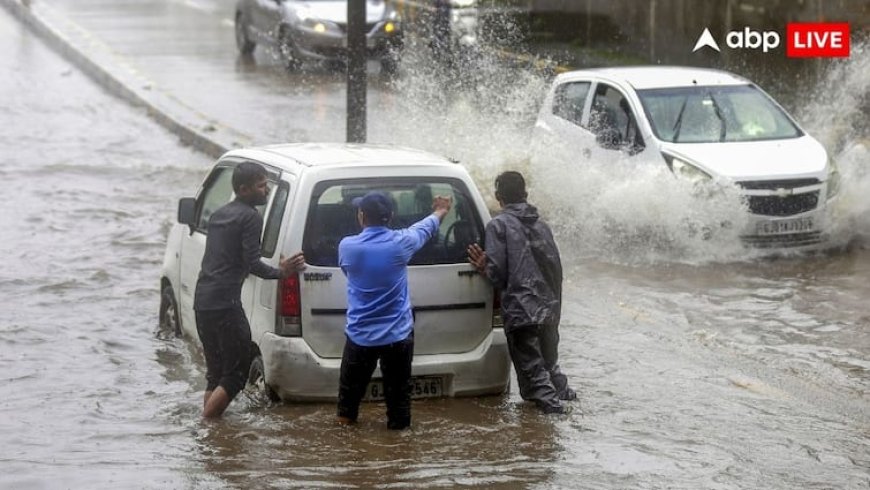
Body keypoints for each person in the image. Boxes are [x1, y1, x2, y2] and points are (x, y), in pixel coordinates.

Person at [194, 162, 305, 418]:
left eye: (266, 184)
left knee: (216, 372)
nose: (266, 190)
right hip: (225, 304)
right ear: (244, 190)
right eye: (261, 186)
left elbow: (231, 258)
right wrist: (282, 272)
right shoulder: (251, 217)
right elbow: (252, 263)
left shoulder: (219, 215)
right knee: (235, 375)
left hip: (203, 302)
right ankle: (208, 429)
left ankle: (212, 444)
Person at [336, 190, 452, 430]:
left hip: (360, 337)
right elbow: (425, 228)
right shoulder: (402, 243)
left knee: (347, 410)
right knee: (399, 409)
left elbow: (349, 272)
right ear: (391, 216)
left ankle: (347, 459)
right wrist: (440, 211)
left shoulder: (347, 247)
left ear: (361, 216)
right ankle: (400, 460)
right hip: (397, 338)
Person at [467, 171, 575, 414]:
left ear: (497, 196)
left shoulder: (498, 226)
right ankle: (569, 404)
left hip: (520, 311)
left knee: (536, 378)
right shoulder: (542, 225)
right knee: (550, 367)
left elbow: (498, 273)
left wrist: (484, 265)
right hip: (549, 309)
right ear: (525, 194)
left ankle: (554, 422)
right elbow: (555, 269)